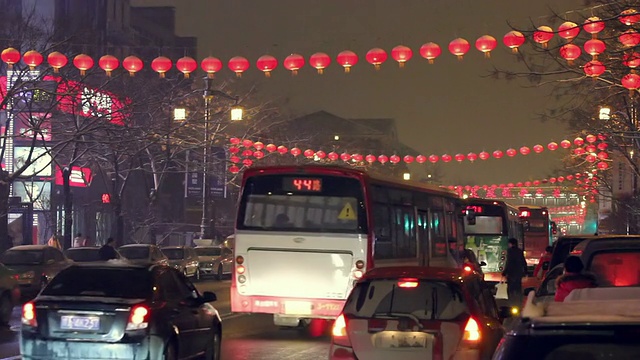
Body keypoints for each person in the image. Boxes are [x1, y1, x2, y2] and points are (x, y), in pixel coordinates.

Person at [501, 238, 528, 308]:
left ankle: (511, 304)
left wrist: (505, 272)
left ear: (510, 243)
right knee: (518, 288)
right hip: (518, 273)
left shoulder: (510, 251)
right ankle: (519, 303)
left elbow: (509, 263)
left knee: (511, 289)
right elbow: (523, 262)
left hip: (511, 273)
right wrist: (525, 272)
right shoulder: (519, 251)